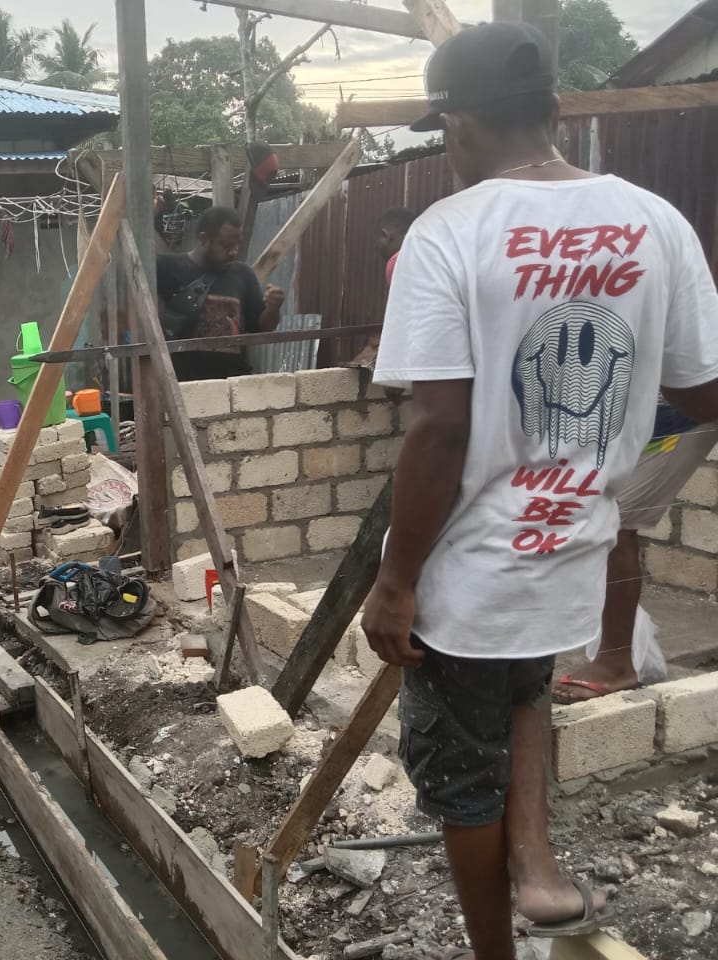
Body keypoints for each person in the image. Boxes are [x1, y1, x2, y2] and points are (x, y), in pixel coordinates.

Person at [362, 22, 718, 960]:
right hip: (571, 557)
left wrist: (396, 581)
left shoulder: (449, 232)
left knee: (458, 778)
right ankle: (538, 861)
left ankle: (494, 951)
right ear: (555, 113)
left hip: (471, 577)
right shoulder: (657, 221)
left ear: (459, 127)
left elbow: (440, 427)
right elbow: (701, 388)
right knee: (525, 694)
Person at [554, 404, 716, 702]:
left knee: (613, 524)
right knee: (599, 519)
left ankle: (615, 664)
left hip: (678, 408)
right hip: (638, 410)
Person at [156, 206, 286, 382]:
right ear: (203, 239)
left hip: (234, 384)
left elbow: (262, 327)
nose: (233, 252)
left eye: (237, 246)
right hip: (186, 384)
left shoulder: (243, 275)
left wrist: (273, 308)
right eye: (226, 246)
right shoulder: (167, 268)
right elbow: (146, 323)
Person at [377, 208, 417, 287]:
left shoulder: (397, 263)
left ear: (385, 235)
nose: (378, 247)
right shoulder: (428, 256)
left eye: (377, 242)